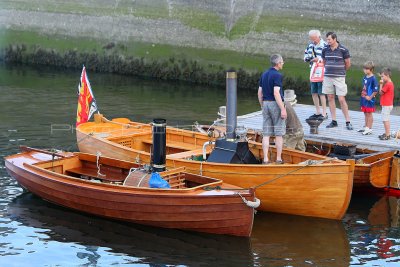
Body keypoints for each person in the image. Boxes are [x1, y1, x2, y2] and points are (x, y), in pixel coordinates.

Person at [258, 54, 287, 164]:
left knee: (266, 134)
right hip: (275, 104)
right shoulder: (277, 75)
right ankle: (278, 159)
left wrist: (262, 105)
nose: (283, 63)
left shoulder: (264, 74)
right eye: (282, 62)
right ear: (278, 63)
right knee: (279, 133)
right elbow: (276, 93)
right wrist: (283, 109)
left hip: (265, 103)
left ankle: (265, 159)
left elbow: (259, 92)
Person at [321, 32, 353, 130]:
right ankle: (334, 121)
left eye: (329, 39)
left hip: (339, 77)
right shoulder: (325, 49)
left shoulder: (343, 50)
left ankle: (348, 121)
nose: (328, 41)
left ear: (335, 39)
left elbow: (348, 63)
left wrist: (341, 71)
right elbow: (324, 61)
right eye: (327, 39)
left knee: (341, 99)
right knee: (330, 97)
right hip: (327, 77)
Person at [304, 29, 327, 120]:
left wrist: (319, 59)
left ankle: (324, 113)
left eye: (314, 38)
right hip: (313, 71)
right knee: (313, 92)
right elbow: (305, 57)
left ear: (319, 36)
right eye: (311, 38)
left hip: (322, 72)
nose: (313, 40)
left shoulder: (325, 46)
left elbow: (327, 58)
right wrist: (311, 59)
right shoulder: (310, 46)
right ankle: (317, 111)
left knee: (321, 93)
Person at [358, 61, 378, 135]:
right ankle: (366, 127)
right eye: (364, 69)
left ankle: (369, 128)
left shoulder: (373, 79)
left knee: (369, 113)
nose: (365, 70)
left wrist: (370, 97)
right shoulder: (365, 77)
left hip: (370, 99)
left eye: (367, 69)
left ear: (371, 69)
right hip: (363, 98)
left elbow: (375, 90)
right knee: (365, 113)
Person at [378, 68, 395, 140]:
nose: (381, 78)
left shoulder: (388, 84)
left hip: (387, 105)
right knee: (385, 119)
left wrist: (381, 84)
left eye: (382, 76)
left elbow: (380, 93)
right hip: (387, 105)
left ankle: (387, 135)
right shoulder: (390, 83)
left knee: (385, 120)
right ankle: (386, 132)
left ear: (387, 75)